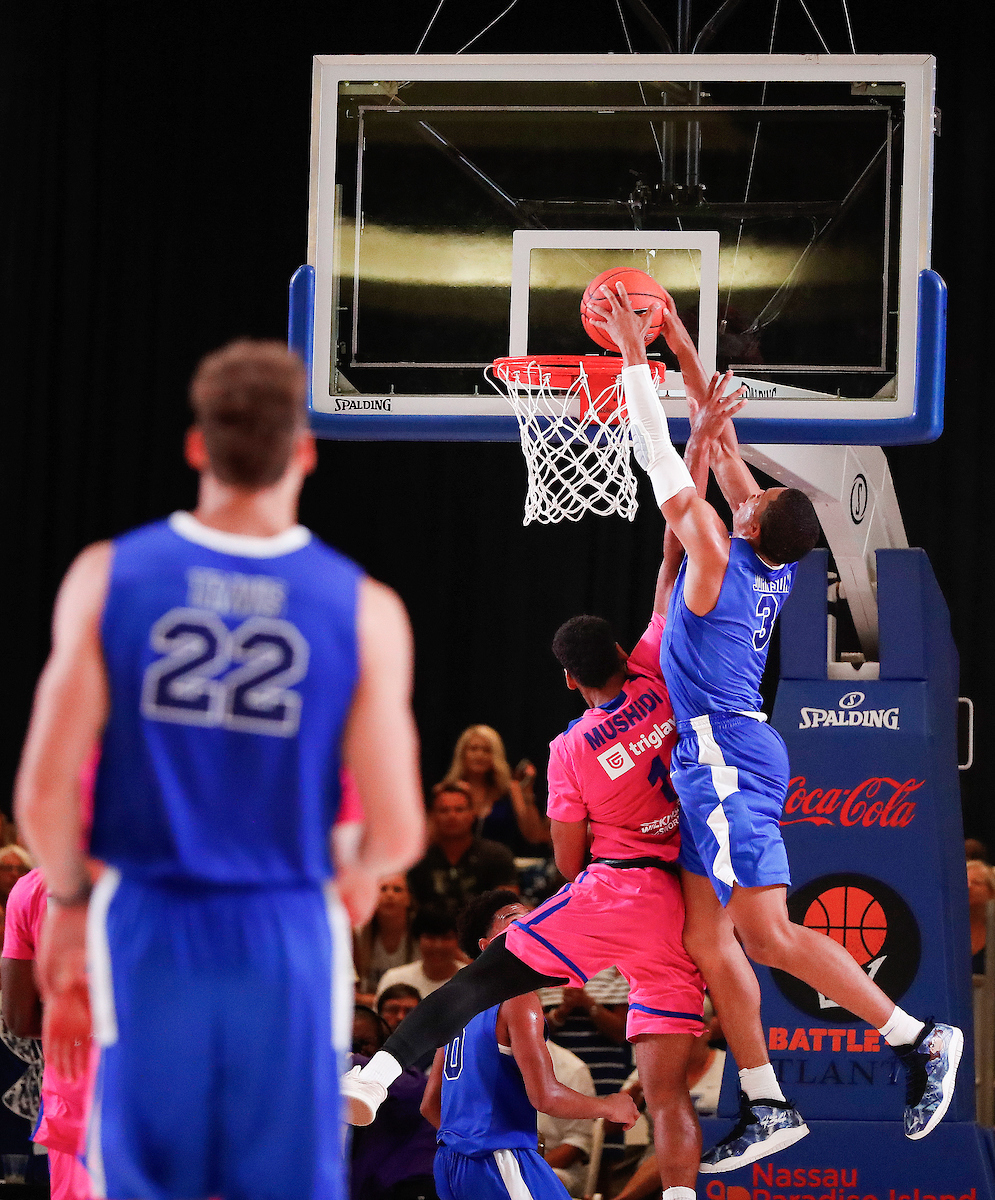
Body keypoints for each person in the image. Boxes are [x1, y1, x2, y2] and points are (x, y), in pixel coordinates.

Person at [13, 339, 426, 1200]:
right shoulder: (365, 608)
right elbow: (396, 829)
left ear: (197, 446)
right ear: (304, 451)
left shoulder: (107, 575)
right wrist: (351, 882)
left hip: (147, 921)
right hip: (285, 925)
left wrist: (75, 903)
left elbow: (44, 794)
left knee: (146, 1180)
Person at [589, 280, 963, 1165]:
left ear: (752, 520)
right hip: (721, 751)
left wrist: (634, 357)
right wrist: (680, 337)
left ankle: (914, 1036)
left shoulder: (719, 551)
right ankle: (767, 1102)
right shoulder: (769, 556)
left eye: (748, 493)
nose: (740, 487)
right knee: (705, 937)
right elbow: (715, 447)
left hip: (722, 753)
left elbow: (663, 458)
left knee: (765, 935)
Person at [346, 392, 722, 1200]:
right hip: (686, 898)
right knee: (666, 1093)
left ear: (568, 677)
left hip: (619, 887)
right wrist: (689, 463)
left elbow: (563, 857)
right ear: (623, 651)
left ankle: (375, 1077)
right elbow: (669, 561)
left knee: (479, 982)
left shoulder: (568, 749)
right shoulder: (659, 670)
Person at [419, 890, 638, 1200]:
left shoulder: (454, 1002)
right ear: (485, 946)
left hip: (449, 1163)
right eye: (513, 919)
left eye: (532, 917)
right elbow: (545, 1096)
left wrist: (467, 1141)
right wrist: (610, 1106)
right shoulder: (518, 999)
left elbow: (429, 1105)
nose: (529, 924)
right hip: (496, 1158)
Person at [2, 867, 94, 1200]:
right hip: (165, 1099)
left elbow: (19, 1017)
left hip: (73, 1101)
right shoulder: (173, 875)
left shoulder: (31, 890)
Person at [407, 784, 518, 919]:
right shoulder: (417, 857)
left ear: (472, 814)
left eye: (459, 810)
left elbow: (508, 907)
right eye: (444, 810)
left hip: (482, 934)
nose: (451, 816)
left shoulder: (496, 854)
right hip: (428, 935)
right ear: (432, 815)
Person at [442, 726, 549, 852]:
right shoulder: (448, 790)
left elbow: (534, 836)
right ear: (462, 754)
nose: (479, 755)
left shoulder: (510, 790)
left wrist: (527, 793)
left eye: (486, 750)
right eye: (473, 749)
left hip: (502, 864)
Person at [354, 873, 418, 1004]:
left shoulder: (421, 932)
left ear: (409, 899)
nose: (390, 895)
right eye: (383, 889)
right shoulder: (357, 933)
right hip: (370, 1010)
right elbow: (350, 992)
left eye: (397, 890)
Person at [376, 908, 465, 1000]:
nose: (438, 946)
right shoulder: (395, 979)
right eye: (430, 938)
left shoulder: (474, 981)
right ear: (418, 940)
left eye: (446, 938)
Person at [968, 859, 995, 973]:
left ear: (991, 891)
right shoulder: (945, 927)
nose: (968, 886)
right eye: (965, 881)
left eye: (976, 882)